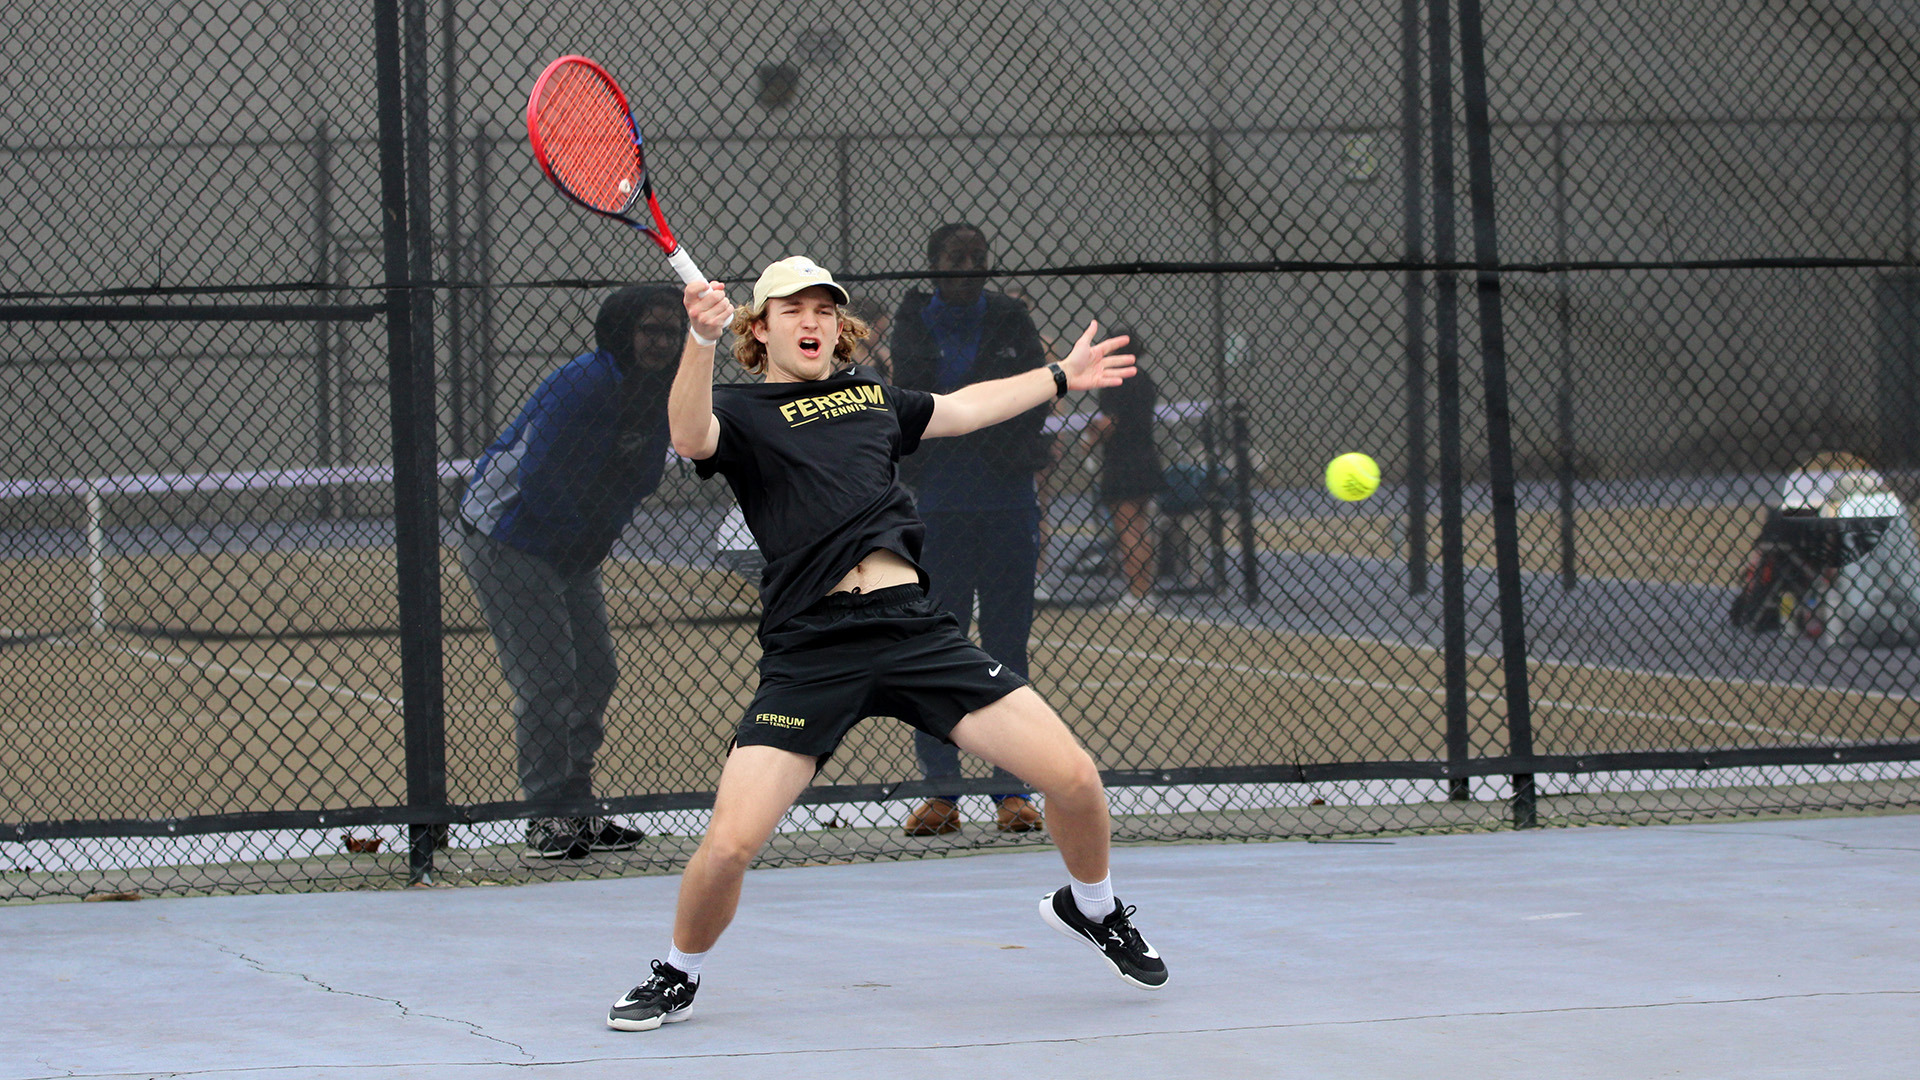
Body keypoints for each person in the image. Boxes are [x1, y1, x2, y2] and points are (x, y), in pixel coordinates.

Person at [605, 256, 1167, 1032]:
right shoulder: (739, 412)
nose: (811, 321)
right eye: (792, 309)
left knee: (1074, 779)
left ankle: (1092, 906)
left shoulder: (871, 399)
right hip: (811, 649)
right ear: (758, 330)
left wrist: (1060, 377)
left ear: (841, 328)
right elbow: (688, 433)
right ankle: (678, 971)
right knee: (729, 846)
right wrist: (698, 342)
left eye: (824, 310)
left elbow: (965, 409)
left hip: (913, 630)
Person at [458, 284, 681, 859]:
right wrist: (577, 533)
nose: (661, 342)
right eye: (650, 330)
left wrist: (598, 534)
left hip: (572, 540)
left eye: (670, 331)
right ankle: (545, 813)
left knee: (596, 672)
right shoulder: (584, 381)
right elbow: (539, 476)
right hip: (511, 536)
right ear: (623, 332)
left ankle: (576, 805)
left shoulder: (660, 391)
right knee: (547, 679)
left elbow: (642, 475)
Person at [890, 223, 1050, 836]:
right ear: (934, 266)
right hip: (938, 507)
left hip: (1008, 501)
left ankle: (1012, 791)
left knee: (1007, 647)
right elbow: (907, 398)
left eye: (979, 259)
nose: (970, 268)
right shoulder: (914, 322)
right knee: (938, 645)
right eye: (958, 259)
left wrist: (1002, 443)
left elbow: (1034, 392)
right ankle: (942, 790)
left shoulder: (1010, 317)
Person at [1083, 326, 1167, 610]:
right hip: (1146, 457)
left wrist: (1091, 438)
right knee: (1142, 528)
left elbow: (1110, 422)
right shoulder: (1144, 379)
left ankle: (1137, 593)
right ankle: (1145, 591)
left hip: (1122, 461)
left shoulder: (1113, 381)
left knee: (1128, 529)